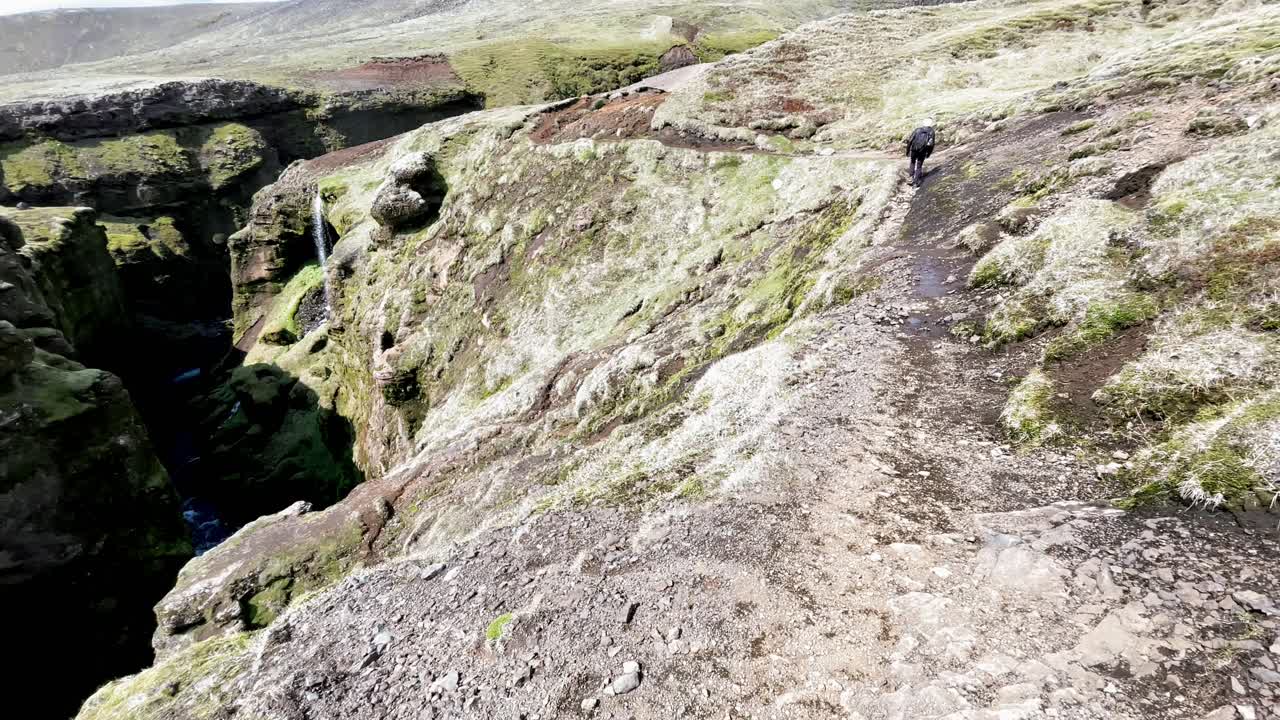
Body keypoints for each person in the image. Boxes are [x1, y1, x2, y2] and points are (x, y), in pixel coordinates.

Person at [905, 119, 936, 187]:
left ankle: (911, 177)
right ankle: (916, 181)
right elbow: (931, 144)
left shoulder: (917, 130)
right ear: (930, 124)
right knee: (919, 165)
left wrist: (907, 151)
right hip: (923, 151)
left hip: (914, 149)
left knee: (912, 162)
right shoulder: (931, 131)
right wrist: (928, 153)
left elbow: (910, 140)